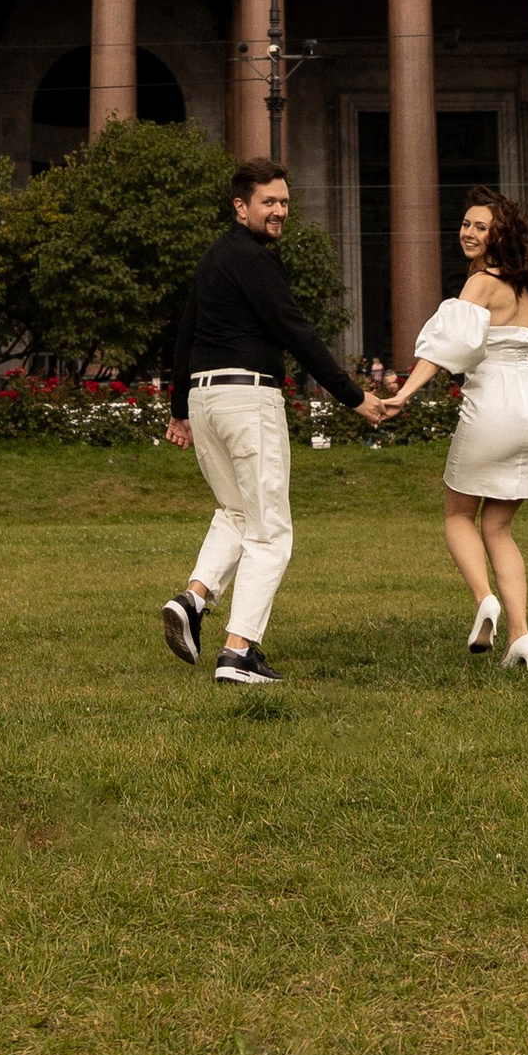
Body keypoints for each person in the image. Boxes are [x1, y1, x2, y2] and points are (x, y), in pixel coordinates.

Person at [162, 161, 382, 688]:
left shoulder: (214, 258)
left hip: (207, 397)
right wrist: (354, 397)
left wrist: (179, 407)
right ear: (242, 207)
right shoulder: (254, 260)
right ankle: (238, 651)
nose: (280, 210)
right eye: (269, 202)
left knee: (236, 511)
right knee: (271, 530)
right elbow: (296, 332)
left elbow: (186, 332)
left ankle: (193, 598)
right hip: (246, 399)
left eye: (284, 201)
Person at [379, 190, 528, 669]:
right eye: (465, 223)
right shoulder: (522, 289)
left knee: (458, 515)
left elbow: (443, 346)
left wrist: (403, 394)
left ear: (499, 234)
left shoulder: (480, 283)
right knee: (498, 527)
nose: (469, 232)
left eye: (480, 226)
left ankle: (484, 600)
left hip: (495, 403)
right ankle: (520, 636)